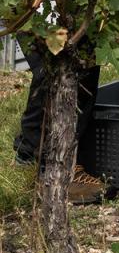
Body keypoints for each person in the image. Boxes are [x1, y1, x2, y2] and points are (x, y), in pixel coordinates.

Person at [12, 33, 106, 204]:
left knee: (87, 71)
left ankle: (68, 160)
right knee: (49, 72)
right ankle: (43, 166)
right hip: (38, 13)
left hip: (80, 13)